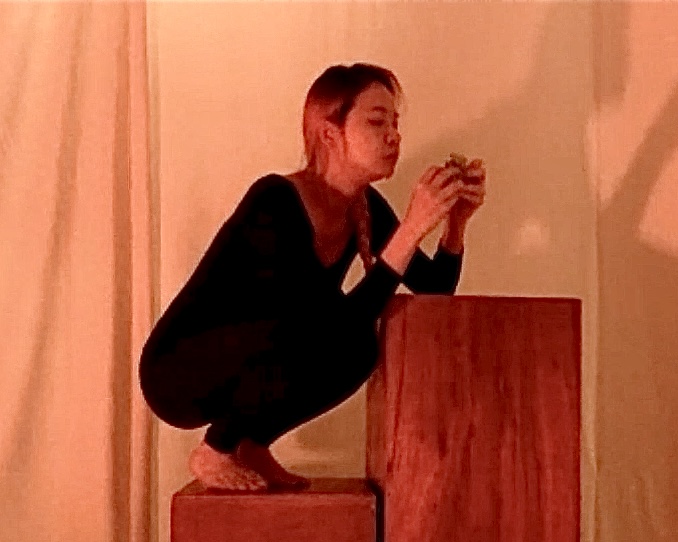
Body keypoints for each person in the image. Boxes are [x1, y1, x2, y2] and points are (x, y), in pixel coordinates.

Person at [138, 63, 487, 492]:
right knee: (308, 328)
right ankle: (214, 449)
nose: (394, 136)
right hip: (180, 369)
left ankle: (250, 443)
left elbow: (433, 291)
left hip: (258, 353)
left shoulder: (364, 207)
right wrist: (412, 229)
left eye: (395, 123)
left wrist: (456, 224)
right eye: (377, 121)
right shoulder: (275, 201)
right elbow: (311, 322)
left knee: (359, 348)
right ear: (329, 133)